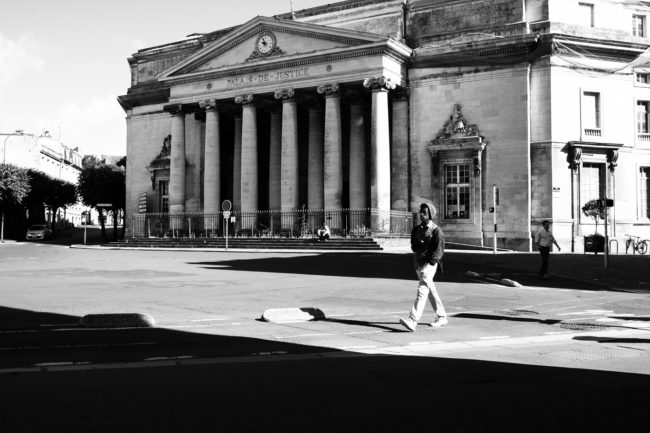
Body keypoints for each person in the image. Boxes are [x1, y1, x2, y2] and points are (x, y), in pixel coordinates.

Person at [399, 203, 447, 332]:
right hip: (418, 263)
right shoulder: (417, 229)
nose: (422, 214)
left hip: (429, 265)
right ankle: (442, 316)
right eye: (421, 211)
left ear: (430, 214)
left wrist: (431, 262)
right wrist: (418, 242)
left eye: (425, 212)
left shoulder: (437, 231)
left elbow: (439, 250)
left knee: (422, 290)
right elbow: (414, 247)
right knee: (430, 290)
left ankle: (413, 320)